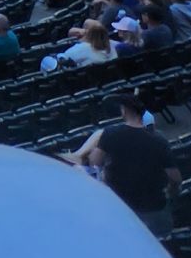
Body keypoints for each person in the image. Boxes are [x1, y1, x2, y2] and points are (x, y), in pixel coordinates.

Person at [70, 95, 178, 227]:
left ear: (124, 111)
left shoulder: (110, 133)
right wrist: (171, 193)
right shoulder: (160, 140)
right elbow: (175, 178)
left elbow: (94, 163)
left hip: (121, 209)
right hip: (154, 211)